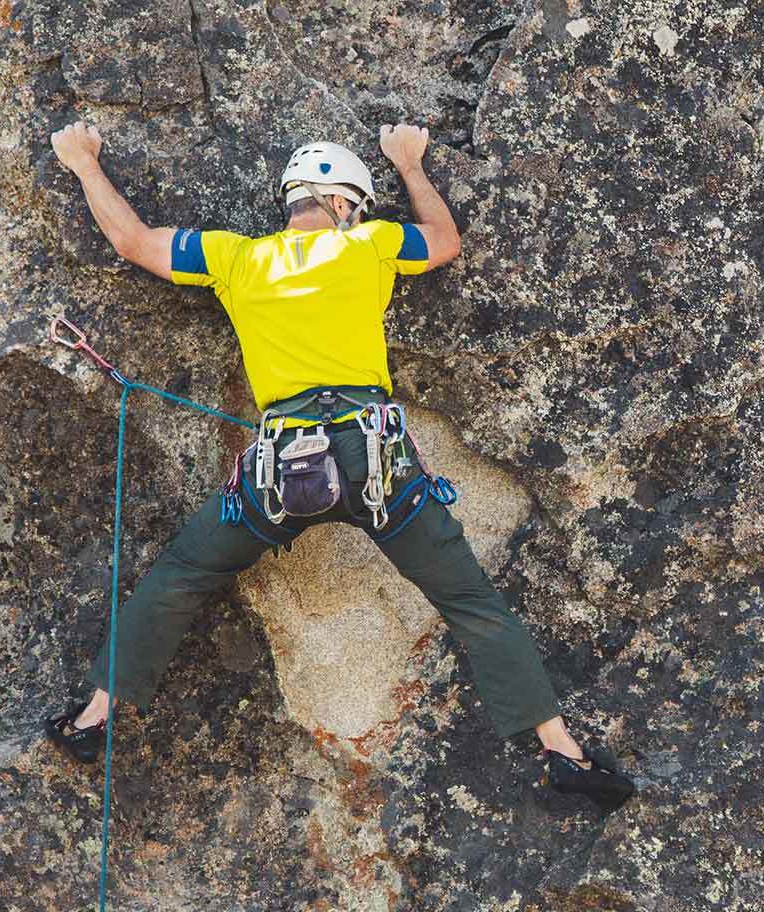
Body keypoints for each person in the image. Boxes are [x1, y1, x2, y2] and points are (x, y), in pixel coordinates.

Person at [42, 119, 633, 810]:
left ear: (294, 198)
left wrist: (84, 162)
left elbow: (132, 241)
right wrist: (410, 164)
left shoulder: (236, 258)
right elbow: (444, 242)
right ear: (346, 203)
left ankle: (93, 719)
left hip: (283, 468)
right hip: (374, 459)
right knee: (469, 601)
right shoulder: (372, 243)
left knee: (185, 572)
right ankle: (564, 753)